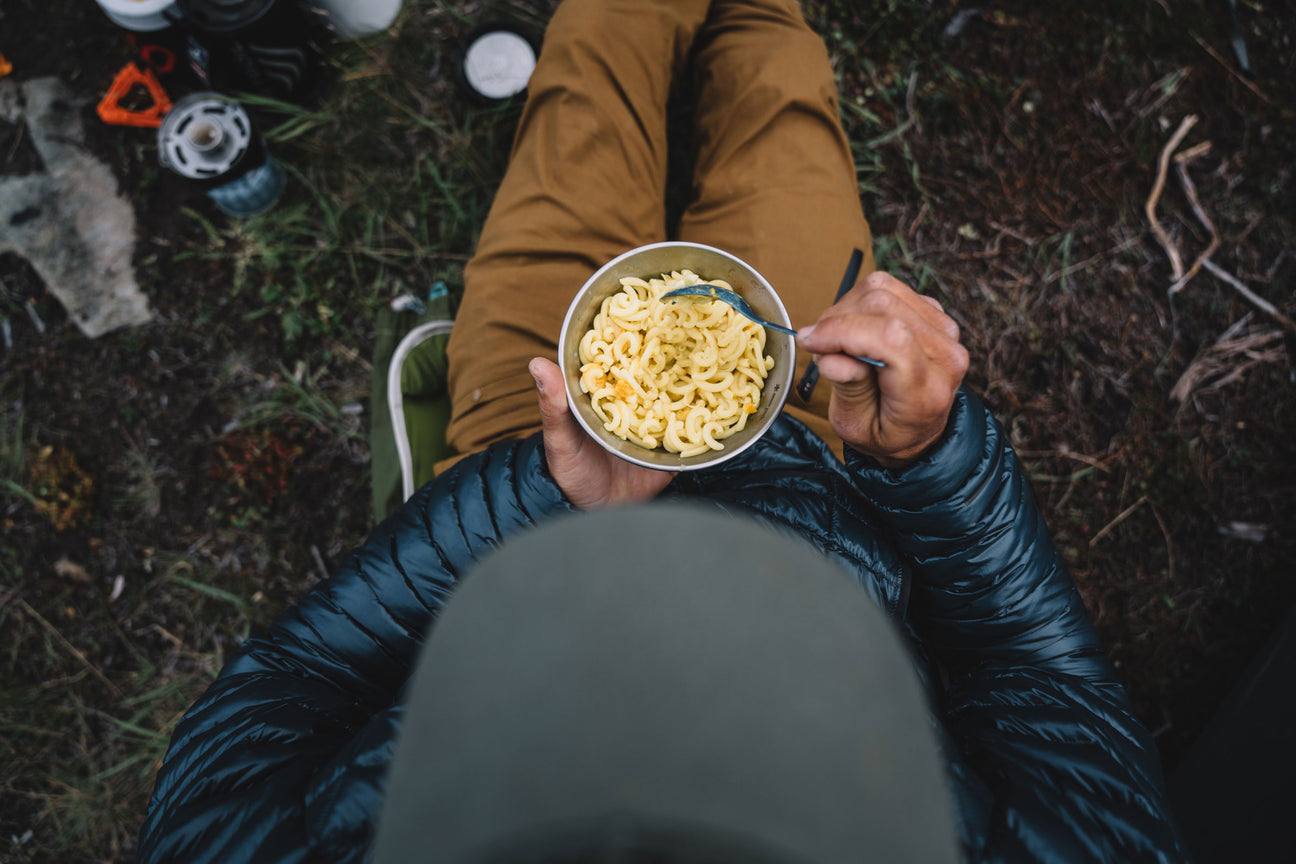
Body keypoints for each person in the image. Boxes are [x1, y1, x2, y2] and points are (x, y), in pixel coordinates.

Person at [137, 0, 1189, 861]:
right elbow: (1045, 687)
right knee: (780, 99)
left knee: (587, 92)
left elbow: (281, 693)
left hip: (532, 439)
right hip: (817, 451)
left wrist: (546, 496)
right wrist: (930, 462)